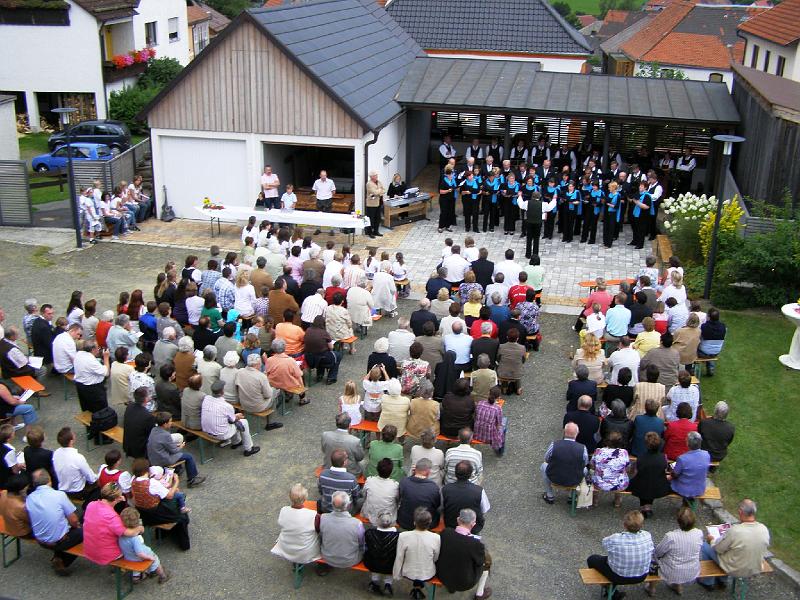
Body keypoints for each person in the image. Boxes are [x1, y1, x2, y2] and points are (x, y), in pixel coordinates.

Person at [698, 498, 771, 590]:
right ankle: (722, 581)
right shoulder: (764, 529)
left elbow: (718, 549)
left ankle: (708, 582)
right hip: (755, 568)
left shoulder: (735, 531)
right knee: (731, 550)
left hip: (735, 569)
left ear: (740, 512)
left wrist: (711, 540)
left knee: (705, 546)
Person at [25, 469, 83, 576]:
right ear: (50, 480)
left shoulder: (29, 498)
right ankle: (63, 561)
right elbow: (74, 520)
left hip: (40, 540)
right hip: (58, 541)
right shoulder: (59, 495)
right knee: (83, 531)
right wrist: (78, 526)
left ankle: (58, 556)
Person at [586, 511, 654, 599]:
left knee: (592, 559)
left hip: (618, 576)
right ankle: (611, 590)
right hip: (642, 575)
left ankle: (610, 590)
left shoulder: (616, 538)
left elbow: (604, 543)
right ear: (642, 525)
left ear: (624, 525)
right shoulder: (647, 535)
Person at [130, 458, 191, 551]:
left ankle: (162, 534)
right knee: (182, 512)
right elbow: (170, 495)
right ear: (146, 470)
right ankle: (184, 544)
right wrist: (176, 481)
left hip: (142, 514)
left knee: (174, 502)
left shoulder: (133, 480)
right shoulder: (152, 483)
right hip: (156, 513)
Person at [82, 482, 144, 566]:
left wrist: (118, 499)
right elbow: (130, 533)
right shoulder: (112, 517)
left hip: (89, 550)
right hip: (107, 555)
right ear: (116, 498)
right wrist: (140, 528)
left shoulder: (91, 505)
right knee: (135, 538)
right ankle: (140, 565)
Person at [646, 507, 704, 596]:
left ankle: (651, 588)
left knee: (653, 560)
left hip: (671, 572)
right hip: (692, 571)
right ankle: (678, 586)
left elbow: (658, 553)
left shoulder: (671, 536)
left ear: (678, 522)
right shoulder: (699, 533)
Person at [201, 381, 261, 456]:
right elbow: (233, 420)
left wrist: (234, 417)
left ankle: (236, 442)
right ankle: (249, 449)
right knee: (244, 422)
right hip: (221, 434)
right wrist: (237, 416)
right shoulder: (227, 406)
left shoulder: (206, 398)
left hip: (206, 431)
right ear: (222, 392)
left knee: (230, 422)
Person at [146, 412, 205, 487]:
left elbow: (164, 444)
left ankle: (177, 469)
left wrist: (174, 446)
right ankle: (192, 479)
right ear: (165, 424)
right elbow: (174, 450)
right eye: (170, 421)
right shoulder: (165, 435)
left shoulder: (154, 430)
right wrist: (180, 446)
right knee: (189, 456)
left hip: (153, 458)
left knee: (179, 453)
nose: (171, 423)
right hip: (163, 459)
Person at [393, 507, 441, 599]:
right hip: (428, 573)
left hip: (408, 573)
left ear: (414, 522)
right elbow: (436, 557)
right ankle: (418, 588)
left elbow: (399, 557)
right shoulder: (436, 538)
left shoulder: (403, 536)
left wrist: (397, 574)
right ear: (430, 522)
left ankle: (416, 588)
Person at [271, 483, 321, 565]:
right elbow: (319, 529)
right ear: (305, 499)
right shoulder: (313, 515)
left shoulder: (284, 510)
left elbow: (281, 523)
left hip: (287, 548)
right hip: (306, 552)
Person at [119, 507, 170, 583]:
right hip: (140, 557)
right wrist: (149, 557)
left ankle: (136, 578)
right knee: (155, 560)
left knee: (135, 566)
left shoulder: (121, 534)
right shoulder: (135, 538)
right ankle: (162, 576)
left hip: (129, 557)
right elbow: (140, 553)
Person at [541, 423, 588, 505]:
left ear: (564, 432)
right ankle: (571, 496)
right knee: (585, 469)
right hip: (574, 479)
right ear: (577, 433)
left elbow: (546, 459)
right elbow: (585, 463)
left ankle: (549, 495)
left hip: (554, 477)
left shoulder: (554, 445)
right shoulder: (582, 448)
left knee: (544, 465)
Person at [628, 431, 671, 518]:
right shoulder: (664, 457)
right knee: (651, 480)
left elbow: (635, 472)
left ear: (646, 445)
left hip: (642, 485)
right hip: (658, 486)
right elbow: (665, 469)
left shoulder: (640, 457)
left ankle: (645, 507)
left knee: (641, 481)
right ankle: (648, 507)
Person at [53, 427, 98, 500]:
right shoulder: (78, 458)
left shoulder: (56, 453)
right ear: (71, 441)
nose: (75, 434)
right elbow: (91, 478)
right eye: (73, 434)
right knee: (97, 482)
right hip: (77, 492)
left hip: (63, 488)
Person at [590, 431, 631, 508]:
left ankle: (595, 501)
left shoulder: (598, 451)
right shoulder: (624, 452)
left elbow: (592, 466)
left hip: (599, 483)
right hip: (618, 484)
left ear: (607, 441)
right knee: (621, 476)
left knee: (593, 474)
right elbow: (628, 468)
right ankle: (617, 501)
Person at [668, 430, 710, 502]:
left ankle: (686, 502)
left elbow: (674, 475)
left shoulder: (682, 458)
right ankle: (687, 503)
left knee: (667, 481)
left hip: (684, 489)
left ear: (687, 443)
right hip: (699, 489)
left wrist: (670, 473)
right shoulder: (706, 454)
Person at [318, 449, 361, 514]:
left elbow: (321, 491)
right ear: (344, 462)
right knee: (361, 500)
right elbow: (356, 496)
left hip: (326, 509)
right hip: (346, 511)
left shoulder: (323, 474)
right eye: (347, 458)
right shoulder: (351, 479)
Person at [362, 458, 400, 526]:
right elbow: (398, 501)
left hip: (371, 515)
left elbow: (364, 495)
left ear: (377, 469)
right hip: (388, 518)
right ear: (391, 471)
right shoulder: (395, 485)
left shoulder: (369, 480)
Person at [123, 387, 156, 458]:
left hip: (128, 443)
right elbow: (153, 433)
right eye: (149, 394)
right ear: (146, 399)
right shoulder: (148, 416)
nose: (151, 395)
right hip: (140, 448)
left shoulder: (129, 406)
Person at [474, 386, 506, 454]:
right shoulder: (498, 408)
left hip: (477, 434)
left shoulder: (480, 403)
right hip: (489, 438)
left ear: (488, 393)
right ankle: (499, 450)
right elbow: (498, 425)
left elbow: (476, 417)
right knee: (504, 422)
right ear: (499, 397)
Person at [697, 307, 726, 375]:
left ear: (708, 317)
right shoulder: (723, 326)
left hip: (703, 353)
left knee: (693, 346)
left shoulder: (704, 327)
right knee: (708, 349)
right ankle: (711, 369)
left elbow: (698, 338)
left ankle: (691, 369)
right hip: (716, 352)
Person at [365, 171, 385, 238]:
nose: (377, 176)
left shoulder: (379, 182)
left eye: (376, 175)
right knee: (371, 219)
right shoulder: (369, 184)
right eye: (375, 175)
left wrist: (379, 191)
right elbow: (374, 192)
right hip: (371, 204)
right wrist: (380, 190)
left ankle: (376, 231)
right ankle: (370, 233)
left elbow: (384, 190)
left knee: (378, 218)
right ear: (371, 177)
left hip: (379, 202)